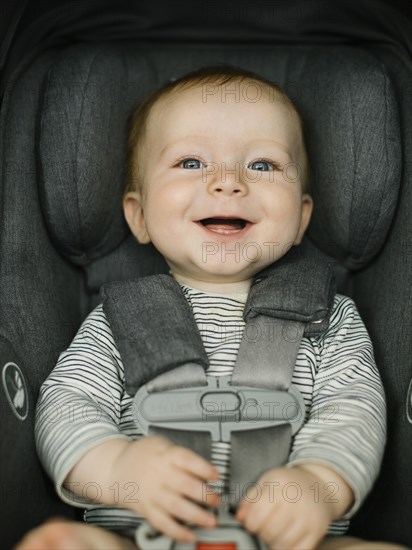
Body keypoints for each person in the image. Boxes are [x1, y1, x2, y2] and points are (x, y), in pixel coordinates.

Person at [15, 66, 407, 550]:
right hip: (140, 534)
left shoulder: (330, 316)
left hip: (289, 540)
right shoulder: (118, 318)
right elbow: (68, 404)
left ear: (303, 217)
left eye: (262, 165)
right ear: (138, 216)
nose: (228, 182)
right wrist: (118, 468)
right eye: (190, 162)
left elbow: (353, 409)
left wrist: (318, 484)